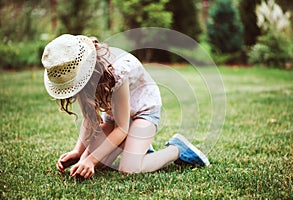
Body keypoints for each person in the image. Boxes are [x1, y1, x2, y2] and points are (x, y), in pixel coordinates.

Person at [42, 34, 210, 179]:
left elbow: (121, 128)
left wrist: (91, 160)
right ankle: (134, 143)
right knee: (89, 164)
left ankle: (177, 149)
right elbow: (89, 117)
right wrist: (78, 152)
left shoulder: (116, 72)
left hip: (143, 112)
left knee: (129, 169)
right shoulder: (80, 81)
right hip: (115, 116)